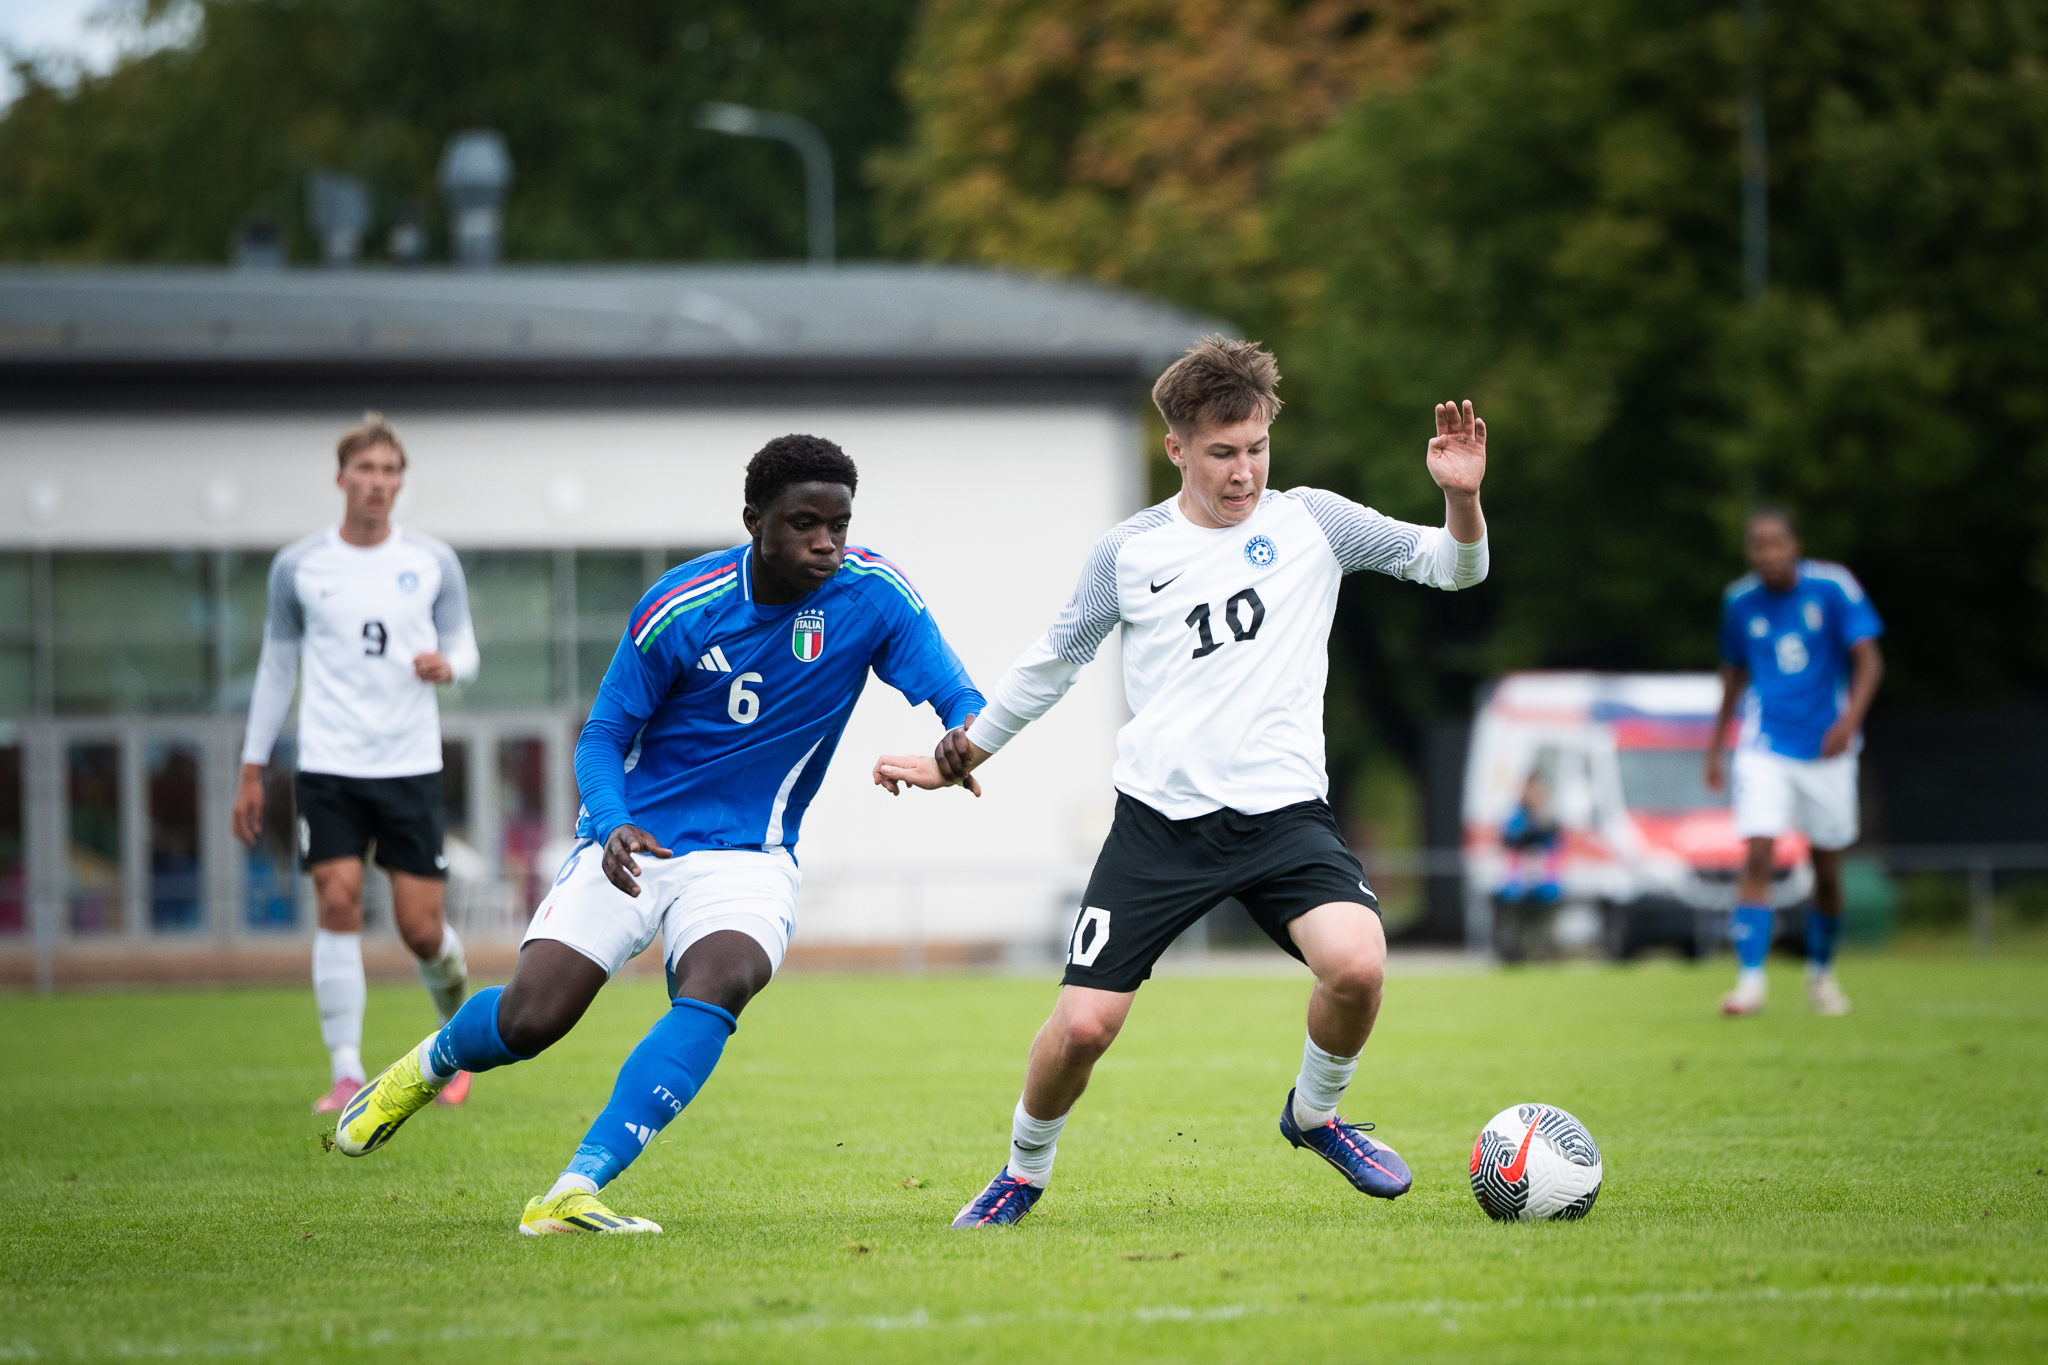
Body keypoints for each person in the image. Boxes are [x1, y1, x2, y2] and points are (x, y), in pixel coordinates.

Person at [874, 336, 1490, 1227]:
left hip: (1284, 819)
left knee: (1358, 965)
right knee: (1084, 1028)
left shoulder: (1314, 521)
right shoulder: (1128, 552)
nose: (1244, 472)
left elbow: (1455, 568)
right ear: (1176, 448)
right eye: (1221, 452)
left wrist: (1461, 499)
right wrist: (957, 755)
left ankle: (1315, 1113)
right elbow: (1052, 664)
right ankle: (1022, 1171)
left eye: (1257, 448)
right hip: (1160, 826)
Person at [332, 434, 985, 1237]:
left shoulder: (873, 594)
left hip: (751, 854)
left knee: (724, 978)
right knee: (531, 1021)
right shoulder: (682, 604)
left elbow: (959, 694)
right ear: (754, 520)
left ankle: (574, 1188)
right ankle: (427, 1064)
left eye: (839, 525)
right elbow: (602, 736)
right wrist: (611, 824)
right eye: (804, 523)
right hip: (636, 841)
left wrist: (960, 742)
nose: (827, 543)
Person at [233, 413, 479, 1114]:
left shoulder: (432, 562)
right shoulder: (298, 566)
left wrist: (448, 665)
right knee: (336, 899)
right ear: (341, 477)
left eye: (390, 470)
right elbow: (276, 668)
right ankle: (345, 1071)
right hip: (329, 765)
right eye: (366, 469)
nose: (378, 482)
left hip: (409, 765)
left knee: (421, 929)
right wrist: (251, 769)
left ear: (401, 481)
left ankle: (457, 1043)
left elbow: (465, 648)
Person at [1705, 508, 1883, 1017]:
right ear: (1749, 552)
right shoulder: (1739, 601)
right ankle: (1750, 982)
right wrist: (1715, 747)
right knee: (1758, 853)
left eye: (1777, 543)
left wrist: (1849, 721)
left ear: (1796, 545)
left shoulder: (1833, 587)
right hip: (1765, 745)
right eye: (1758, 545)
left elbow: (1869, 660)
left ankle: (1821, 974)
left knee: (1826, 872)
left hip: (1827, 748)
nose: (1769, 554)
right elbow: (1733, 675)